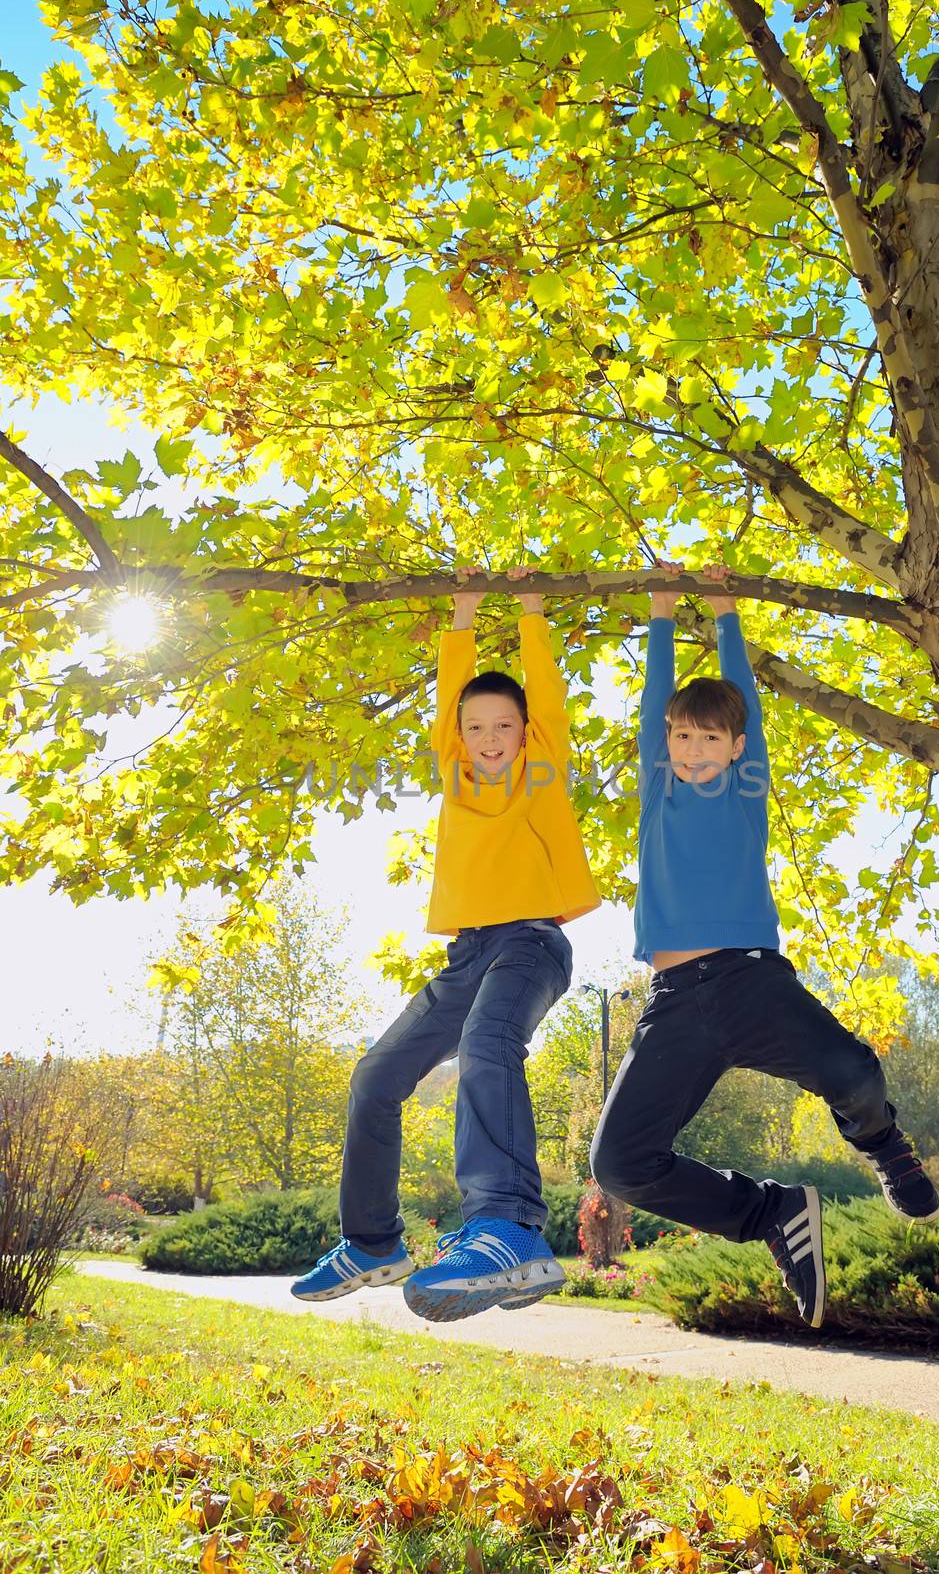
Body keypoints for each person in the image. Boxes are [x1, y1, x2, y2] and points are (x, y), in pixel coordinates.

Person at [590, 558, 939, 1329]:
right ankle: (771, 1216)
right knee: (618, 1162)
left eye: (707, 736)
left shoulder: (746, 787)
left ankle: (882, 1144)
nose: (689, 748)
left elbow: (740, 698)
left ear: (737, 744)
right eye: (681, 736)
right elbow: (653, 706)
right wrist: (656, 614)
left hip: (751, 985)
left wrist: (723, 616)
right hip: (676, 1005)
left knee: (850, 1070)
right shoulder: (660, 787)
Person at [292, 566, 600, 1321]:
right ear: (458, 737)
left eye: (504, 726)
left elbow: (547, 697)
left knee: (488, 1048)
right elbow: (446, 698)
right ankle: (372, 1242)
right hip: (466, 957)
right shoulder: (455, 774)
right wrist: (461, 614)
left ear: (525, 732)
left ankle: (507, 1226)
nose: (490, 738)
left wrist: (530, 608)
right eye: (476, 726)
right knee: (376, 1074)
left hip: (530, 943)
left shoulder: (541, 770)